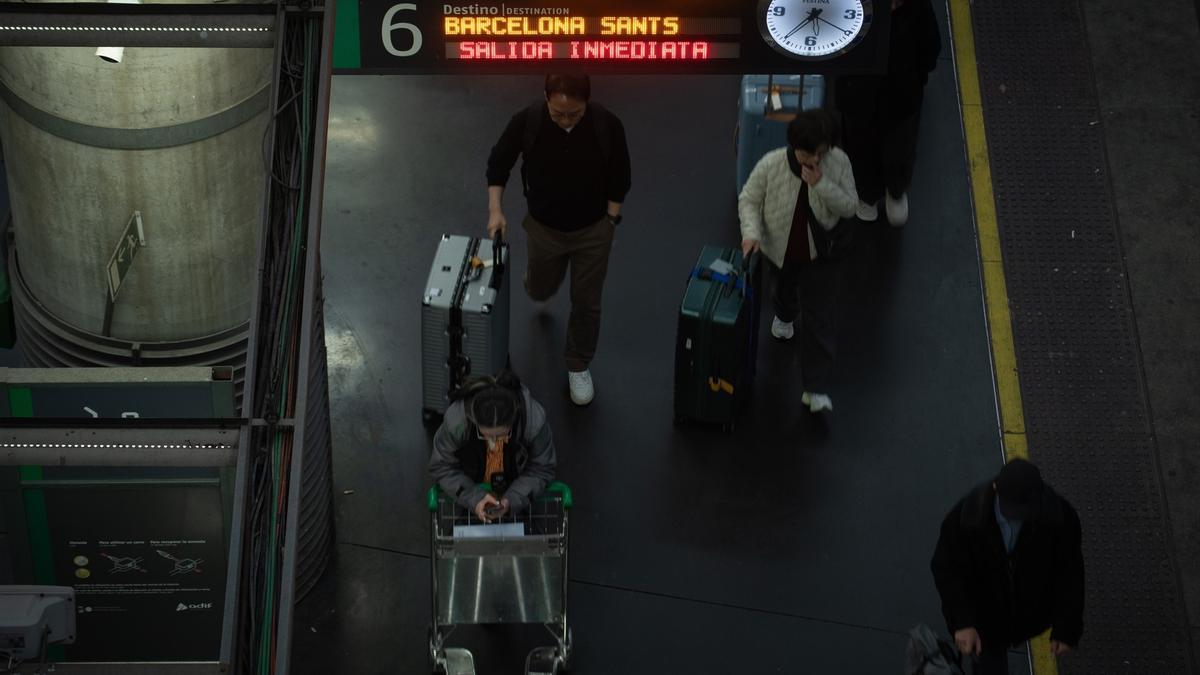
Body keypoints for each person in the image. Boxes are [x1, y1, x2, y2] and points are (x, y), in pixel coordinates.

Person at [485, 74, 632, 406]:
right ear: (546, 99)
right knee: (540, 288)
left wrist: (610, 221)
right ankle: (539, 282)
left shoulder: (607, 125)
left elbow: (621, 176)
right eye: (559, 113)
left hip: (592, 232)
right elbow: (498, 165)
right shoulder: (528, 121)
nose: (566, 120)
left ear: (587, 104)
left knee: (587, 300)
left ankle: (578, 364)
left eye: (574, 114)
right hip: (544, 229)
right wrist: (496, 210)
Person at [738, 109, 859, 413]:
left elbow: (849, 206)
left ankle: (815, 388)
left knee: (820, 319)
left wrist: (821, 184)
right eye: (808, 153)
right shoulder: (773, 164)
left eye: (820, 152)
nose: (814, 159)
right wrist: (751, 234)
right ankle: (784, 313)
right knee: (784, 290)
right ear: (795, 146)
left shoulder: (839, 164)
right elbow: (749, 199)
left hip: (822, 255)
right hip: (781, 251)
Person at [930, 458, 1085, 674]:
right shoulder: (965, 518)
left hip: (1030, 613)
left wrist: (1066, 628)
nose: (1019, 516)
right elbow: (947, 569)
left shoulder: (1061, 519)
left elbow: (1070, 574)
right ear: (995, 488)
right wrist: (963, 622)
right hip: (985, 619)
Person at [835, 0, 941, 226]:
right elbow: (930, 52)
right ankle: (874, 195)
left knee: (886, 149)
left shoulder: (916, 9)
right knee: (872, 148)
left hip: (883, 99)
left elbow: (930, 50)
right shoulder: (916, 10)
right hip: (874, 98)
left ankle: (888, 192)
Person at [428, 370, 556, 523]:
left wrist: (512, 500)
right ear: (474, 420)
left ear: (514, 418)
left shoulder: (534, 423)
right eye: (486, 435)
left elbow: (542, 468)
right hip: (468, 492)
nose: (494, 443)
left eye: (502, 435)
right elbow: (442, 466)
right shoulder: (457, 422)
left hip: (516, 490)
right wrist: (474, 498)